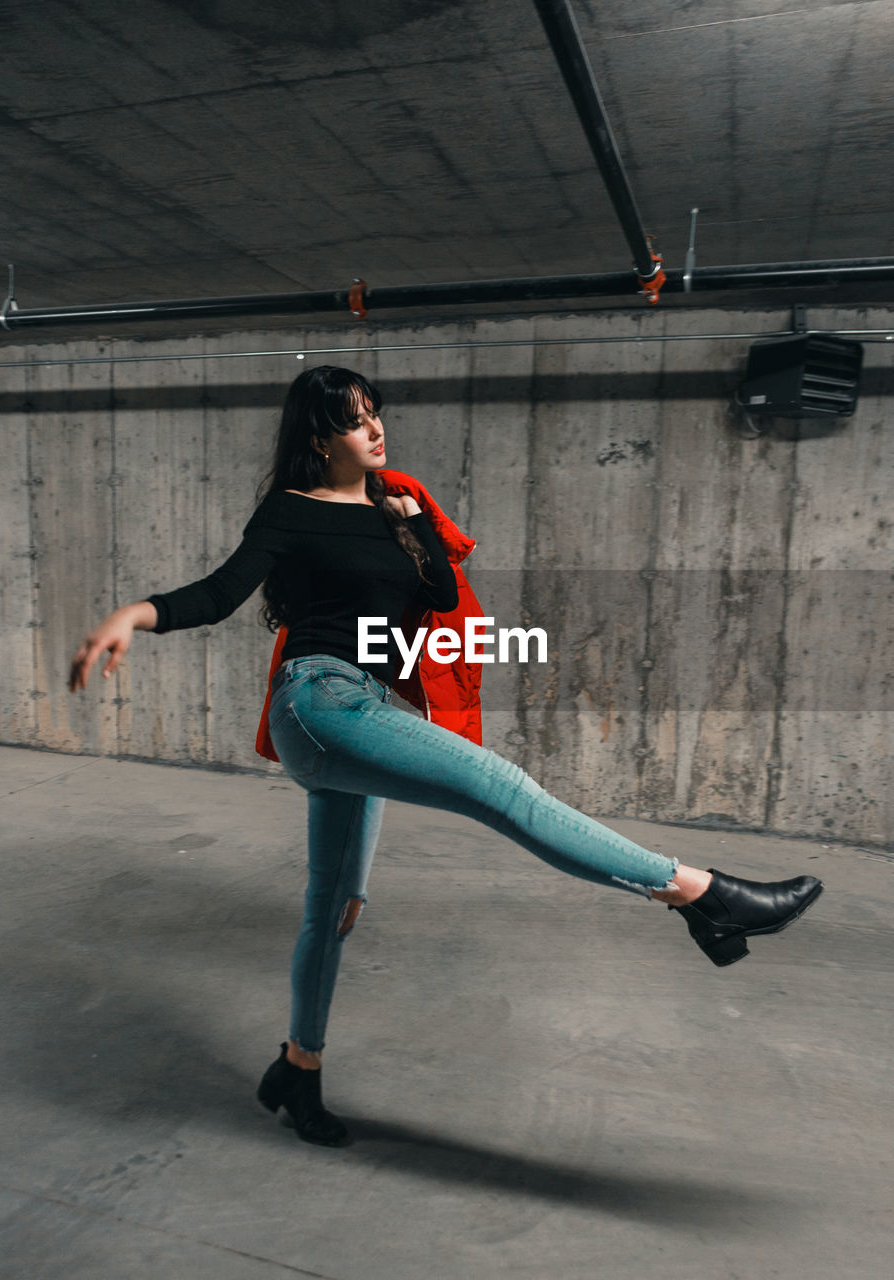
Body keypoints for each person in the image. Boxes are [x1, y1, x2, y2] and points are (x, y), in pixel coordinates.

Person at [69, 365, 823, 1149]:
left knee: (332, 912)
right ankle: (702, 893)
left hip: (362, 706)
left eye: (376, 415)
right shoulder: (290, 511)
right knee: (500, 785)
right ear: (321, 435)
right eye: (356, 420)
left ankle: (298, 1068)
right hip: (320, 700)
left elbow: (433, 597)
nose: (375, 429)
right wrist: (135, 614)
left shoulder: (395, 508)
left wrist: (413, 522)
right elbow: (220, 593)